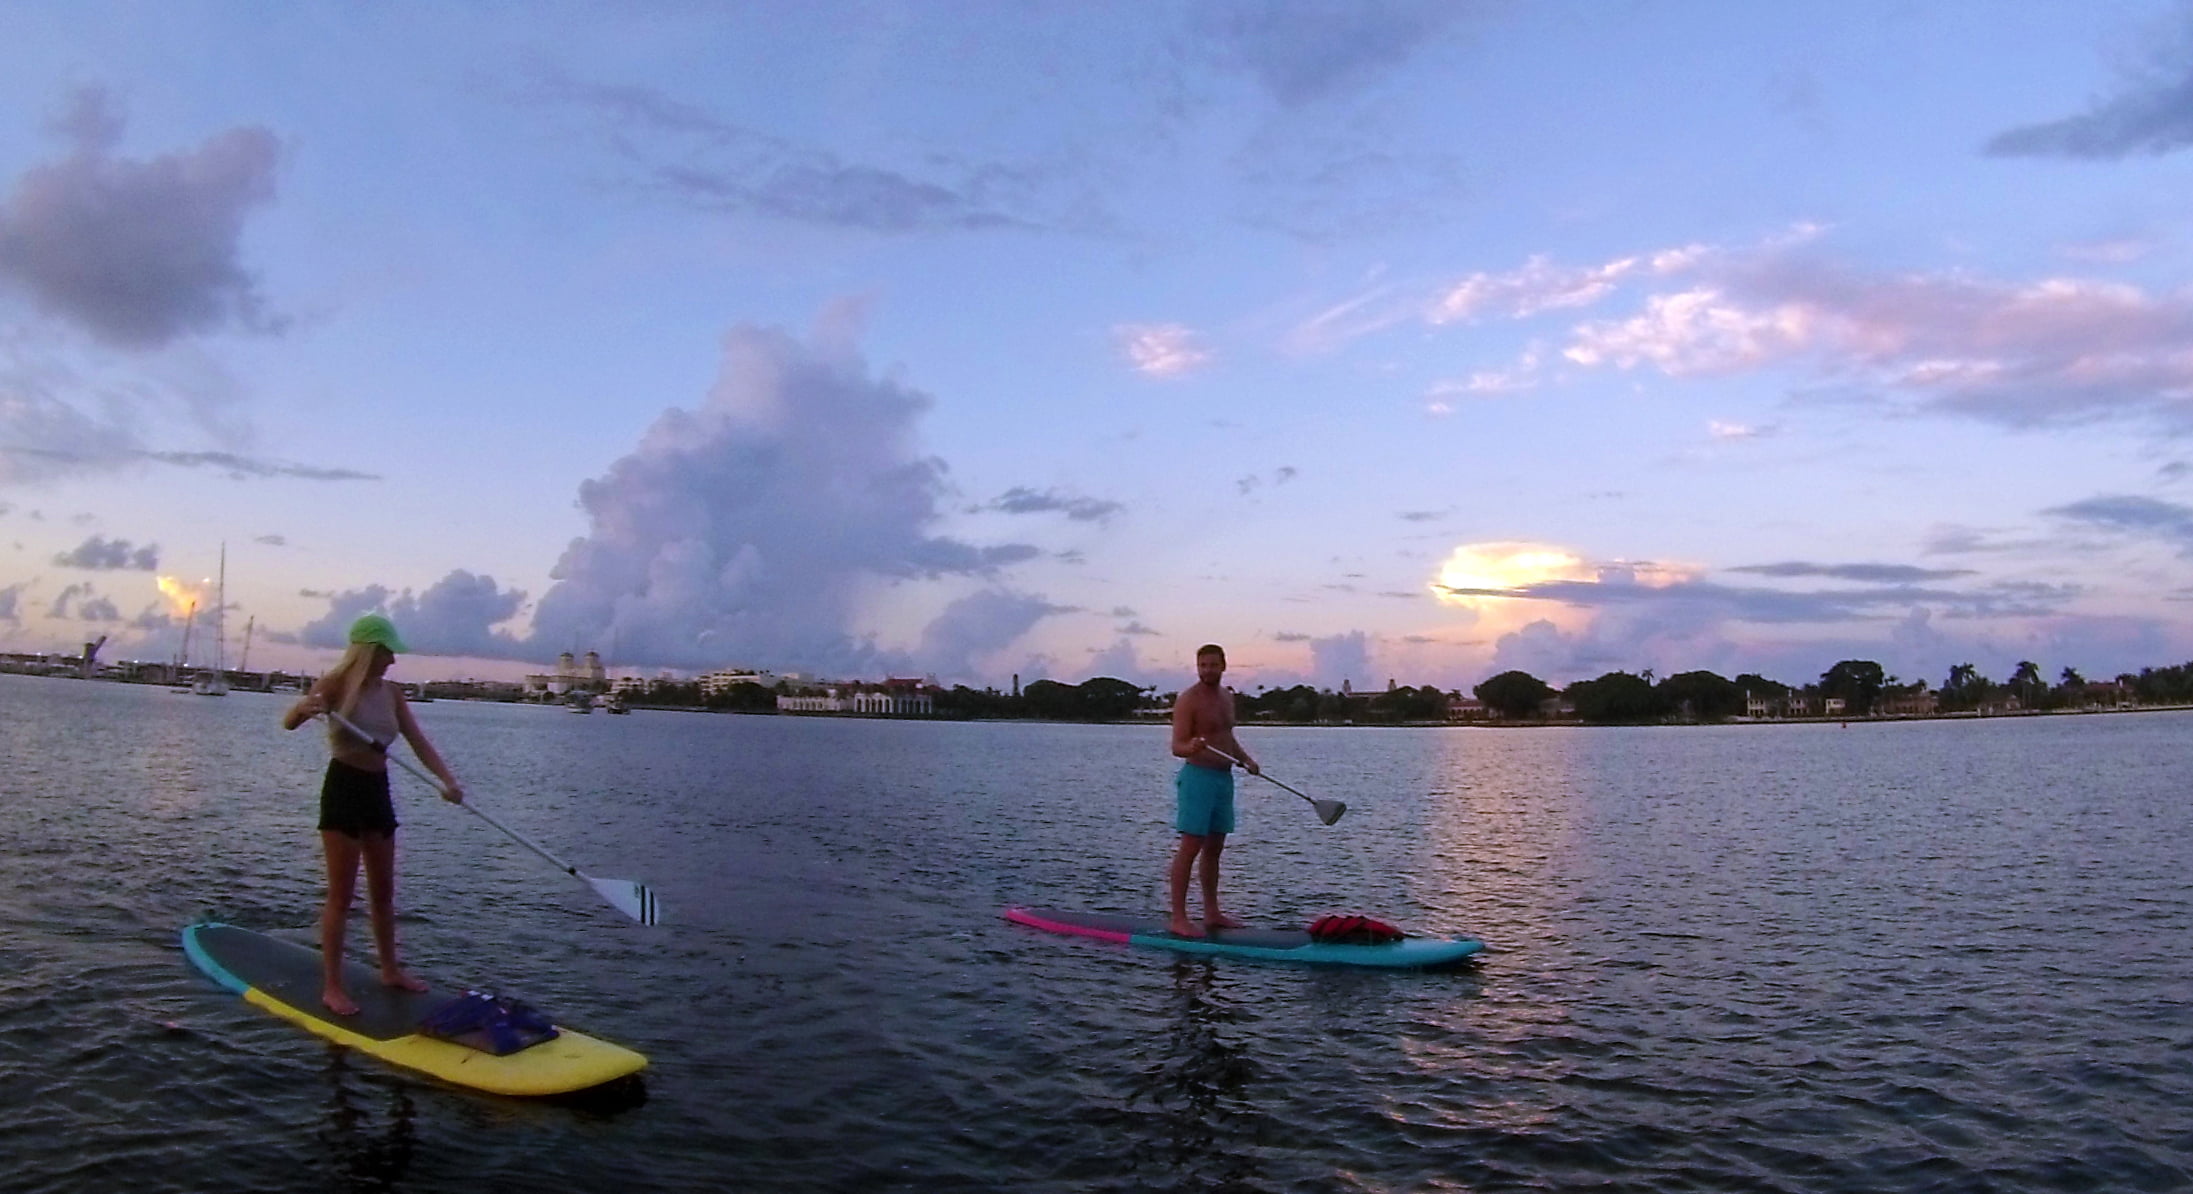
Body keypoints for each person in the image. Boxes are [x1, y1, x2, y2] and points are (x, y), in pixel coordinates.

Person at [280, 614, 464, 1015]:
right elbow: (289, 723)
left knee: (383, 893)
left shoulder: (393, 694)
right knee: (341, 896)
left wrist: (448, 781)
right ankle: (332, 986)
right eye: (387, 653)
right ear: (369, 652)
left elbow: (420, 744)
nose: (393, 661)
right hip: (343, 788)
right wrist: (304, 707)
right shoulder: (334, 685)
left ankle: (390, 970)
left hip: (377, 791)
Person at [1167, 643, 1258, 937]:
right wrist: (1189, 746)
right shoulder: (1187, 700)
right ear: (1197, 667)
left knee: (1215, 849)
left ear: (1223, 665)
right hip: (1198, 779)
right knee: (1190, 847)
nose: (1207, 670)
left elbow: (1226, 736)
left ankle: (1211, 912)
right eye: (1202, 665)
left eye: (1212, 665)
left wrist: (1246, 759)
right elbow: (1177, 746)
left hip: (1223, 779)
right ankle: (1179, 918)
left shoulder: (1226, 697)